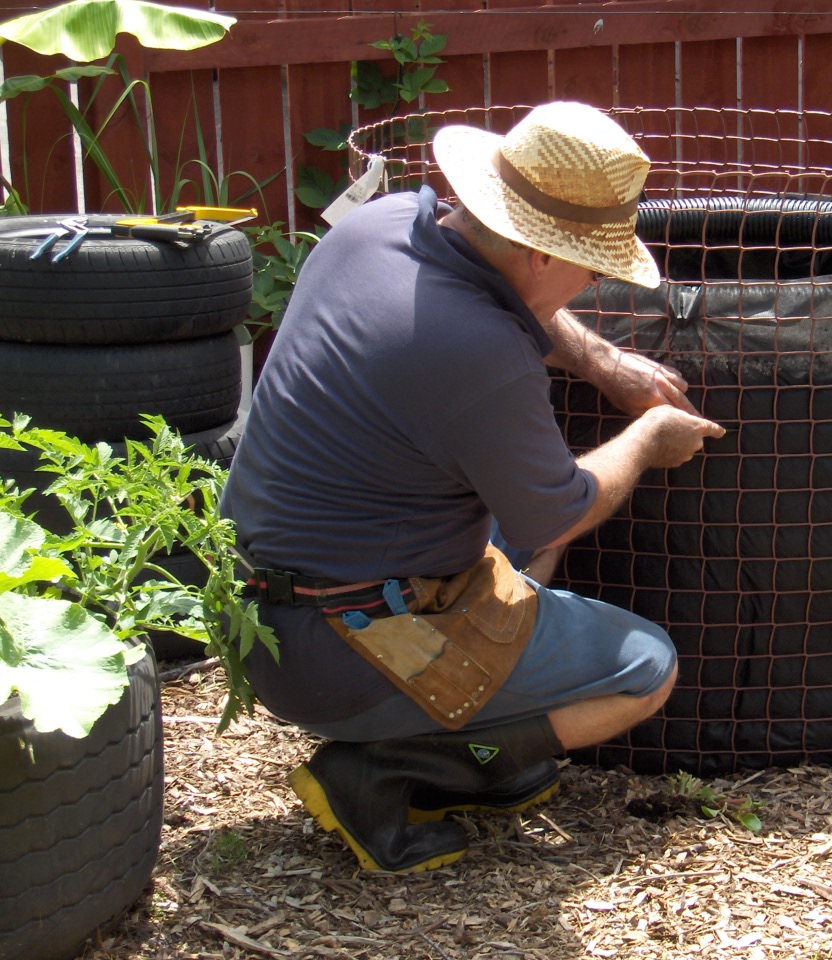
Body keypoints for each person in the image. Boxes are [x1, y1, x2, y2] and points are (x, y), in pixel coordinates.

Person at [221, 101, 725, 875]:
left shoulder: (378, 227)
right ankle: (398, 766)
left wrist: (601, 364)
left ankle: (464, 739)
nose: (591, 285)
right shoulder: (479, 356)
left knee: (523, 524)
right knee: (645, 668)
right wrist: (647, 441)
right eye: (592, 264)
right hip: (337, 642)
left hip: (259, 601)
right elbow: (559, 507)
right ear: (540, 256)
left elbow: (503, 299)